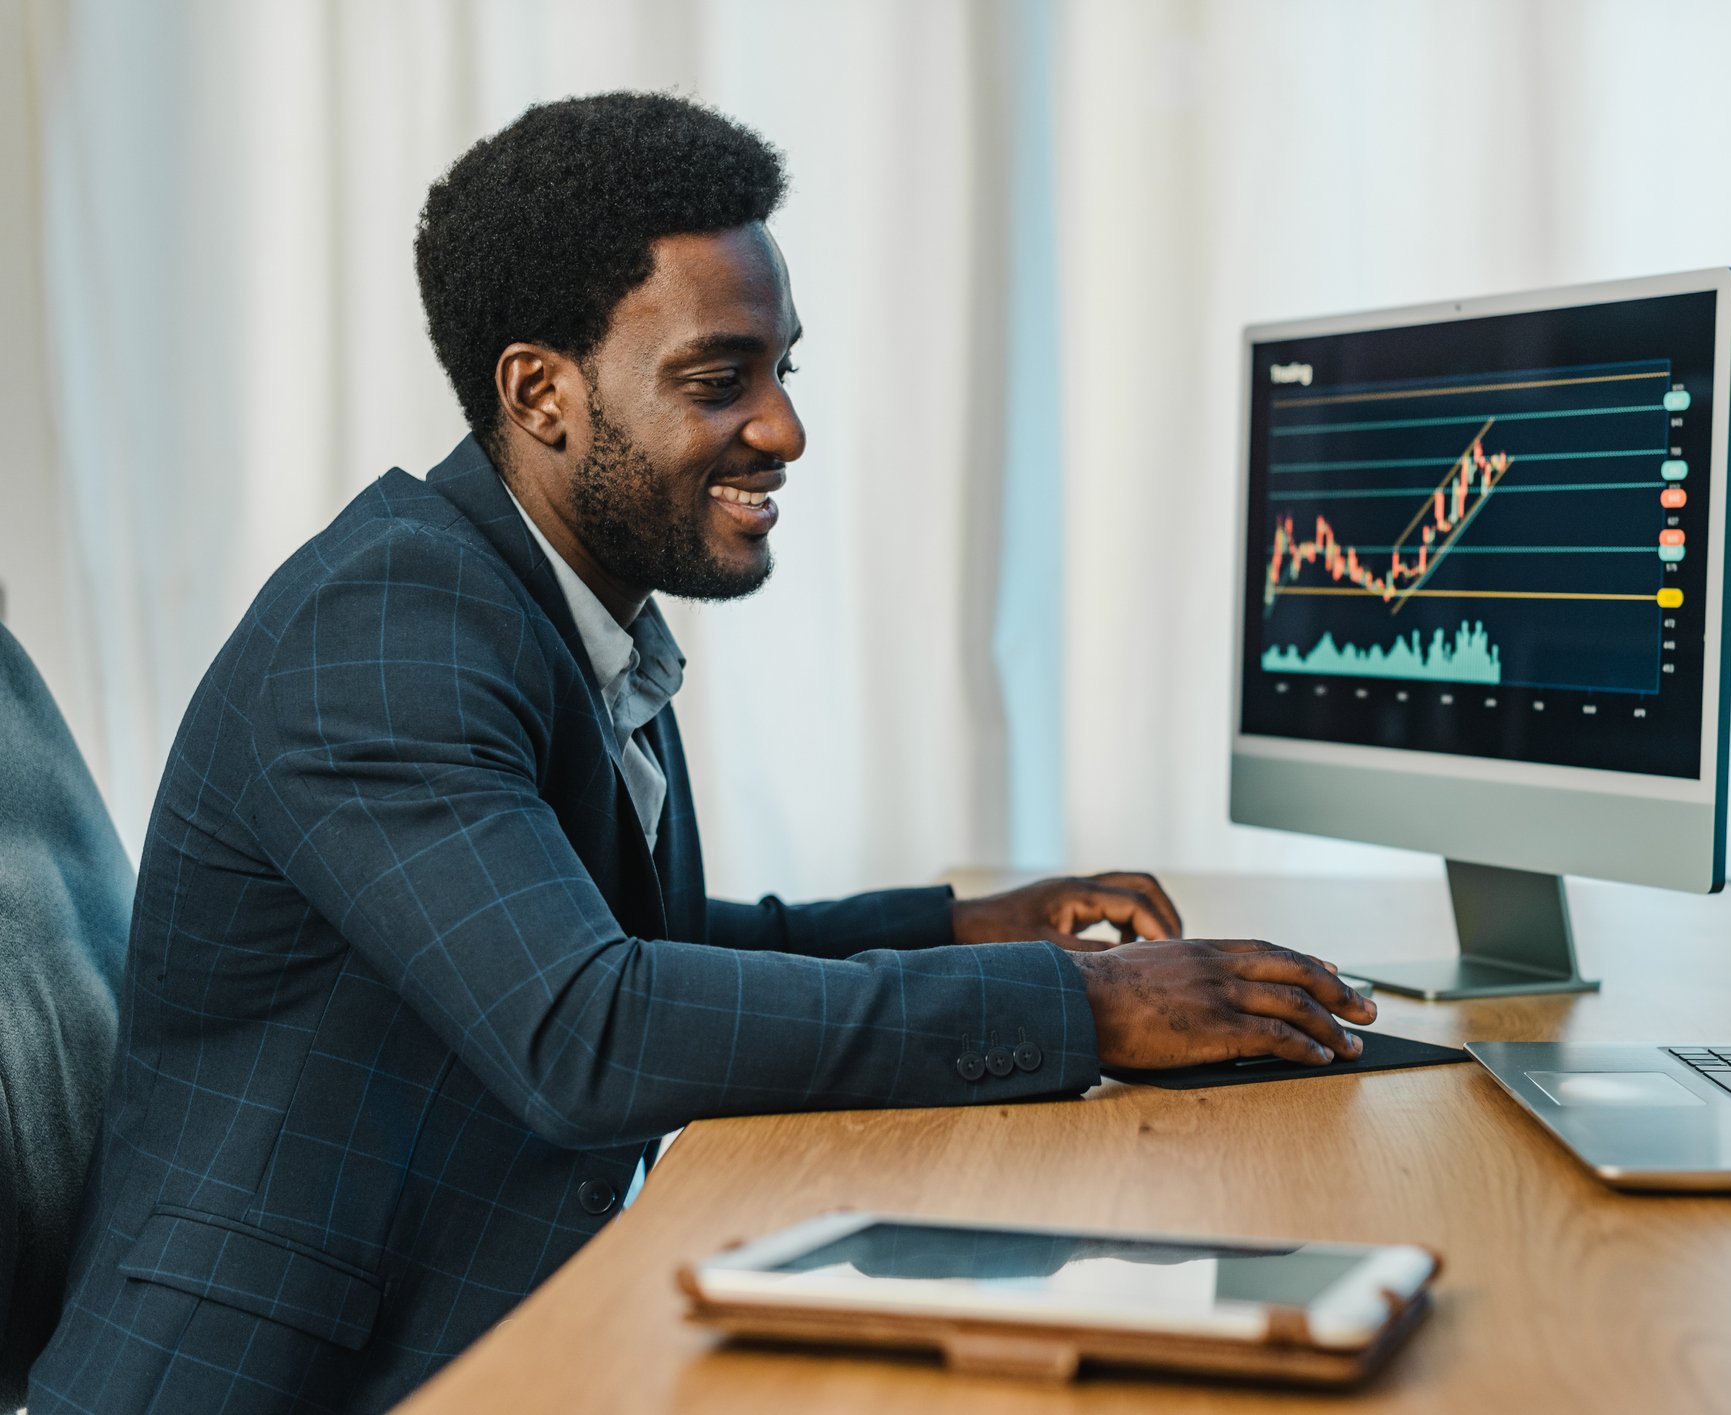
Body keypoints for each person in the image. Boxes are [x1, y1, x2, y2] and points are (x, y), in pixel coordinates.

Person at [30, 93, 1373, 1415]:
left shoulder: (550, 600)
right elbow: (587, 1024)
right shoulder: (389, 629)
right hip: (284, 1380)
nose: (784, 427)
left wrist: (966, 928)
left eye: (786, 368)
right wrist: (1077, 1007)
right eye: (721, 380)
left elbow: (631, 940)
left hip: (463, 1327)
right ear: (542, 393)